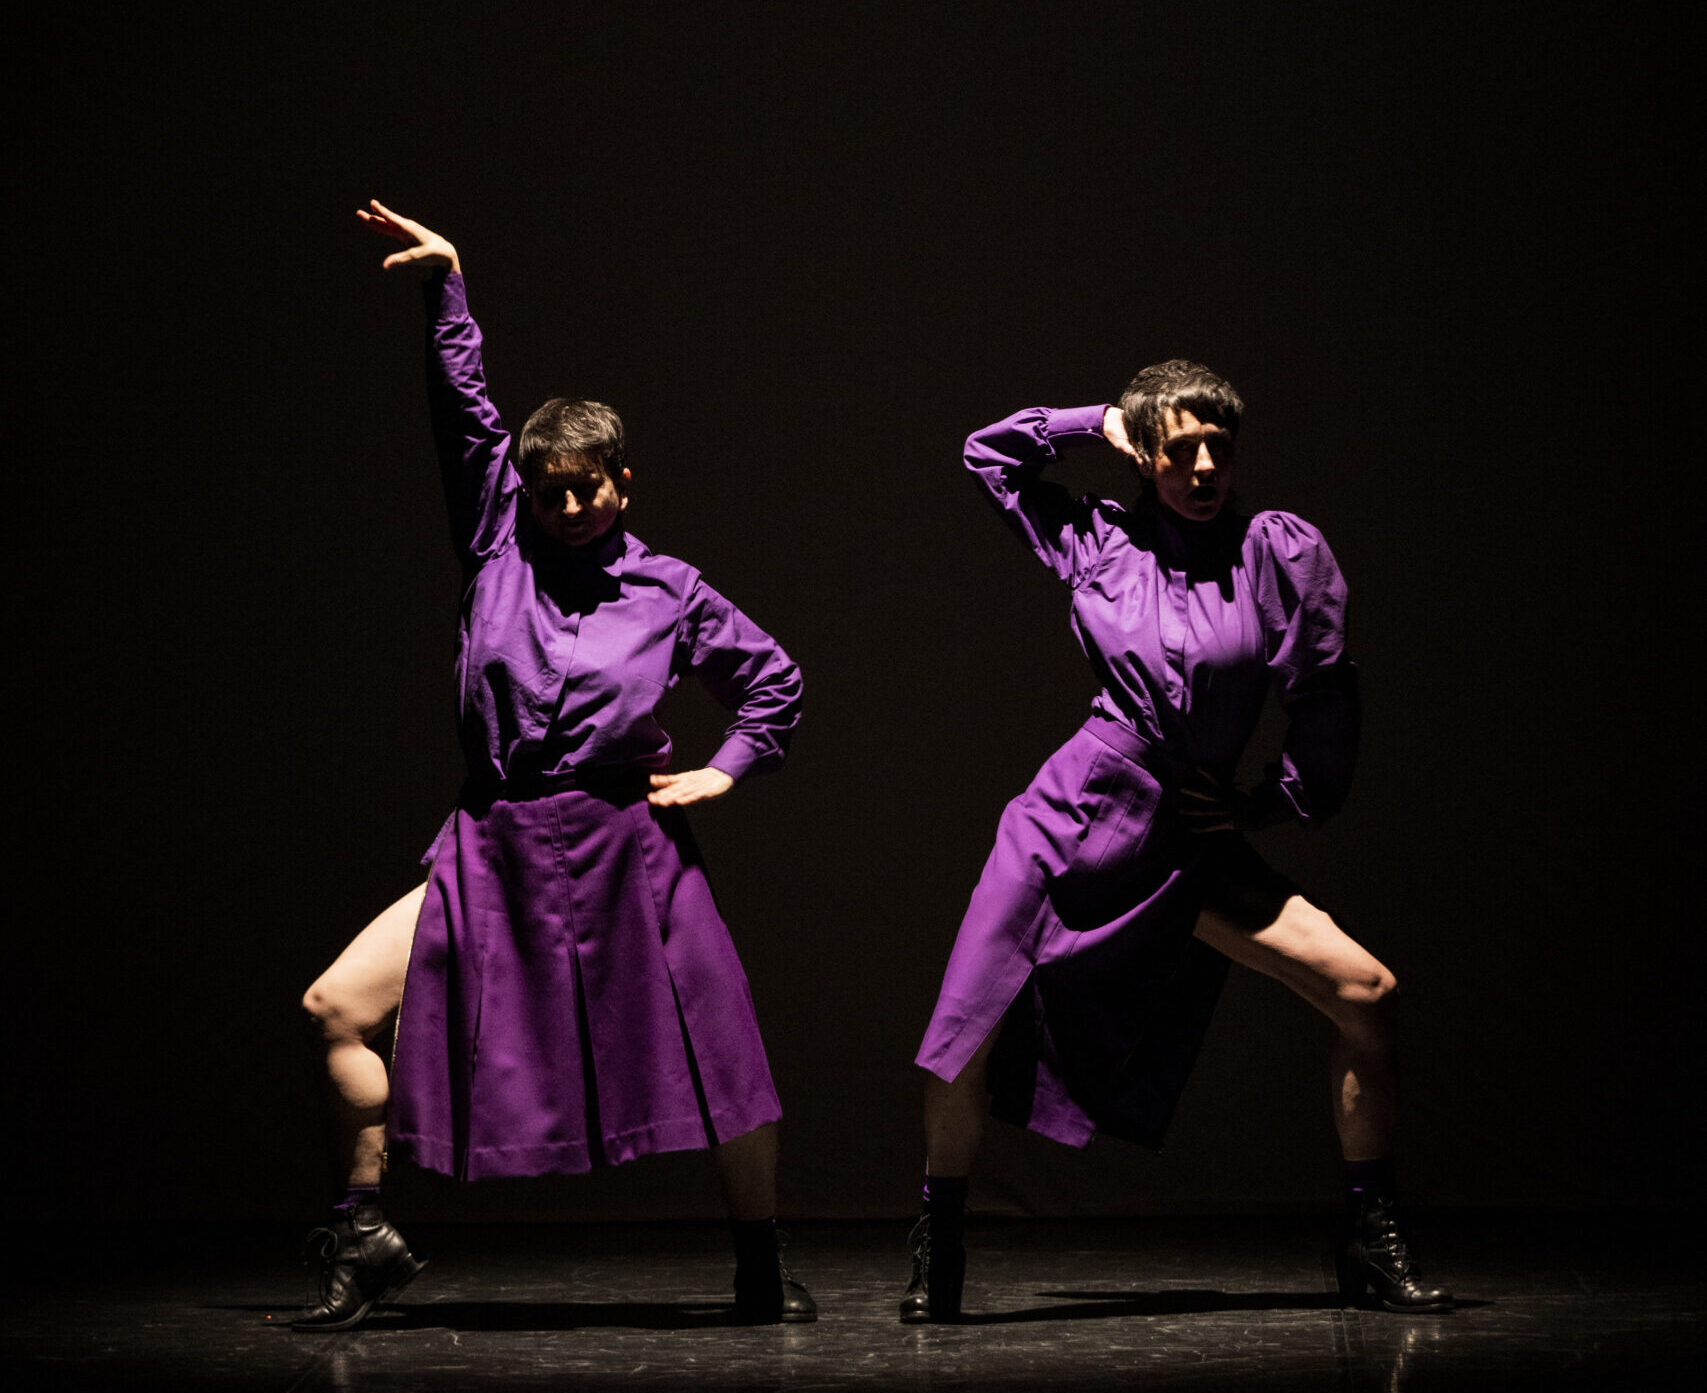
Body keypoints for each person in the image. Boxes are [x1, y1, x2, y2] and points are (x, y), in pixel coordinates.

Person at [294, 201, 813, 1330]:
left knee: (726, 1056)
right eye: (551, 490)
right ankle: (365, 1234)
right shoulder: (498, 542)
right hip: (495, 841)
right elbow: (464, 413)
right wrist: (447, 285)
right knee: (335, 1004)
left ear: (625, 481)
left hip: (628, 847)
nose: (570, 507)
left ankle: (760, 1262)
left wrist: (727, 768)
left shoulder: (669, 589)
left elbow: (774, 681)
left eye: (590, 487)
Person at [904, 363, 1452, 1321]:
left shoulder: (1277, 552)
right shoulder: (1099, 540)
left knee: (1367, 994)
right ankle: (938, 1242)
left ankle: (1370, 1237)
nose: (1202, 467)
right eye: (1179, 449)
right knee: (965, 1032)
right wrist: (1094, 419)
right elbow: (987, 456)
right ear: (1144, 454)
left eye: (1217, 448)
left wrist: (1270, 801)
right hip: (1075, 819)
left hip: (1185, 837)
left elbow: (1324, 690)